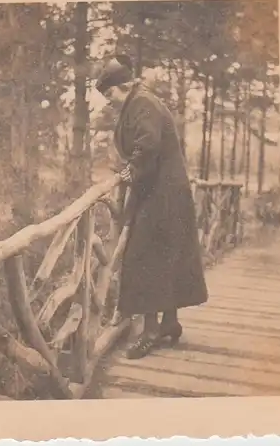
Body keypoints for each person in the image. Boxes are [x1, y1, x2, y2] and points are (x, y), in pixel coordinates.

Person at [95, 54, 208, 360]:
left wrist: (130, 170)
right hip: (162, 191)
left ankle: (150, 331)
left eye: (110, 94)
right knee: (165, 253)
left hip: (163, 193)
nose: (110, 101)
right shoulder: (139, 102)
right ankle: (169, 322)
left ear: (123, 86)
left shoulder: (143, 103)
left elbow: (148, 144)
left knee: (142, 256)